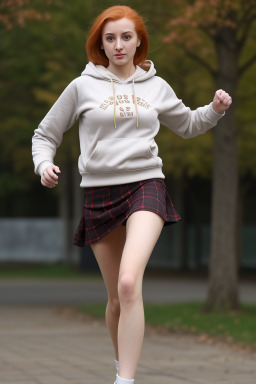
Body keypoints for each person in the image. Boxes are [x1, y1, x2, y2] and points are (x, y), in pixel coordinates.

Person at [32, 5, 232, 384]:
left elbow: (188, 124)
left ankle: (126, 381)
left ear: (139, 41)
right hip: (99, 192)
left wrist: (215, 110)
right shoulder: (81, 86)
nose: (119, 45)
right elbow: (45, 135)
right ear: (101, 45)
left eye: (126, 37)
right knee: (114, 300)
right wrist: (44, 165)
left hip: (146, 185)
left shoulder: (156, 86)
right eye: (110, 38)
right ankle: (122, 363)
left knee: (129, 283)